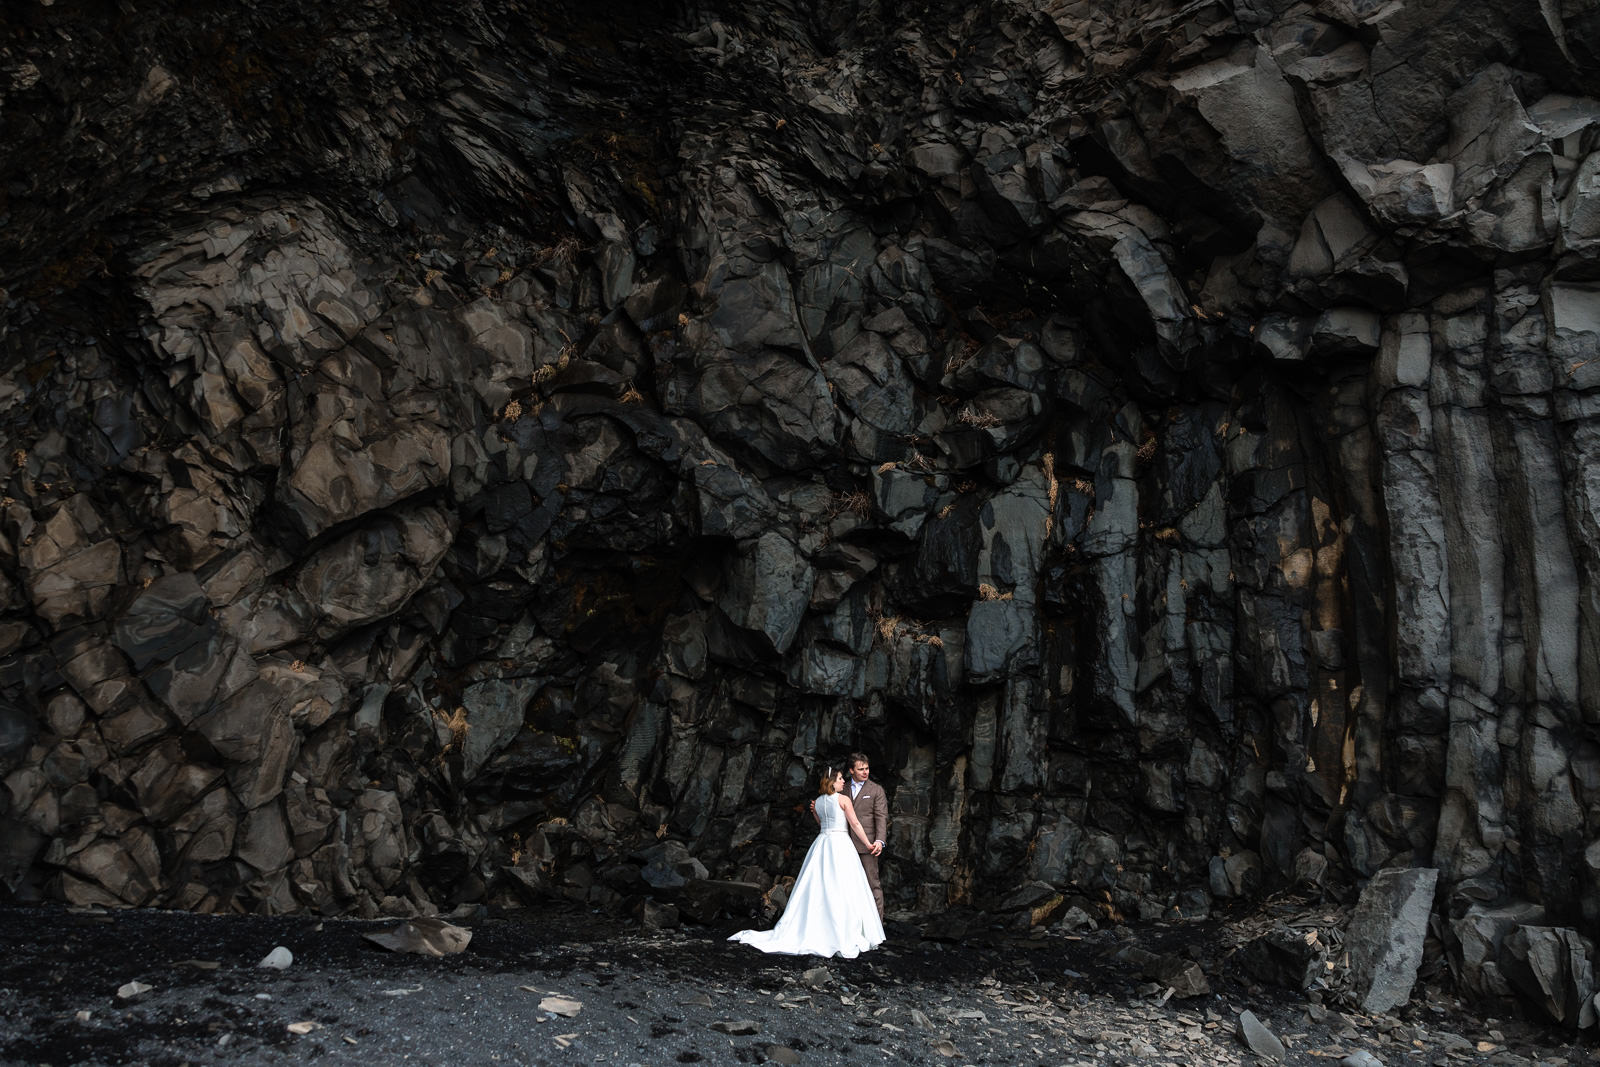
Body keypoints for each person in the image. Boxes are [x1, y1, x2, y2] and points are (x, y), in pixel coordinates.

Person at [727, 767, 885, 958]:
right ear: (832, 781)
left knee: (819, 885)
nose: (844, 781)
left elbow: (822, 824)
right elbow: (855, 824)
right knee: (843, 885)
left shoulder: (817, 802)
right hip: (840, 844)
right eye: (841, 779)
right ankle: (842, 930)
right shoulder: (843, 800)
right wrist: (868, 843)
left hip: (822, 843)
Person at [841, 752, 887, 920]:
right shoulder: (842, 788)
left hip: (867, 845)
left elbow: (881, 817)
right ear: (851, 770)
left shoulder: (876, 790)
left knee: (872, 884)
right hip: (843, 845)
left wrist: (879, 841)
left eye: (867, 768)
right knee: (846, 885)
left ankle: (877, 926)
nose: (865, 772)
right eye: (861, 769)